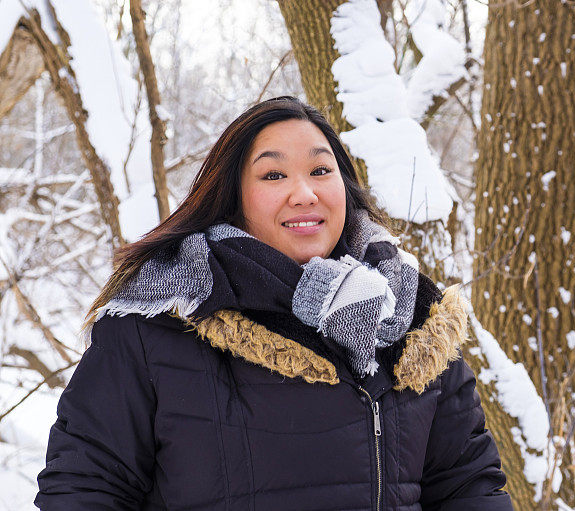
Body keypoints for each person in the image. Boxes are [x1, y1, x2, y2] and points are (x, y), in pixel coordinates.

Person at [35, 96, 514, 511]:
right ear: (233, 196)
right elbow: (84, 487)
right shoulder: (158, 323)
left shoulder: (412, 321)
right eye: (273, 174)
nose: (303, 193)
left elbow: (469, 487)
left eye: (321, 170)